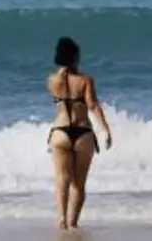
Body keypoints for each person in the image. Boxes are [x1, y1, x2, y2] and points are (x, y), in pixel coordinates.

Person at [46, 36, 111, 230]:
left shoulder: (51, 80)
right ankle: (73, 223)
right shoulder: (85, 80)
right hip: (83, 132)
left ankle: (62, 222)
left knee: (62, 179)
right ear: (75, 57)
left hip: (59, 132)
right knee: (78, 184)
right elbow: (92, 105)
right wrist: (105, 128)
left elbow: (60, 93)